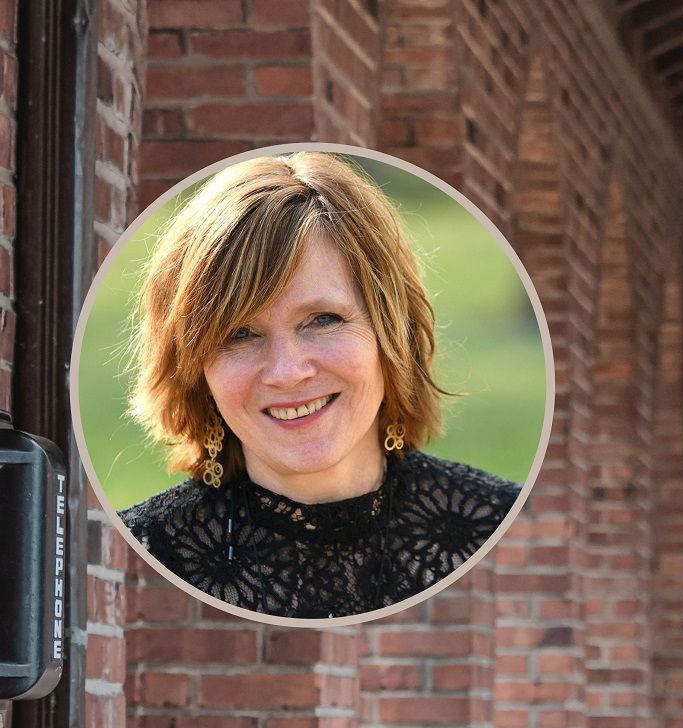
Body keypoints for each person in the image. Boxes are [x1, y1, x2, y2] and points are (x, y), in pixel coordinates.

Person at [119, 152, 520, 620]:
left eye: (322, 320)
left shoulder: (501, 527)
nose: (287, 372)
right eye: (239, 334)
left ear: (391, 333)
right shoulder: (138, 551)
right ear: (194, 367)